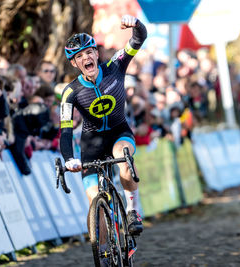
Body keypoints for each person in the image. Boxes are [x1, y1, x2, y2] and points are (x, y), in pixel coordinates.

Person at [59, 15, 147, 236]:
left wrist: (136, 24)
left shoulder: (115, 66)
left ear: (96, 54)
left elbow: (139, 38)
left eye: (89, 52)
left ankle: (132, 210)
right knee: (94, 202)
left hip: (119, 132)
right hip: (92, 145)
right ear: (74, 63)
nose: (86, 58)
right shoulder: (70, 93)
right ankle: (106, 251)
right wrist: (69, 159)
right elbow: (66, 131)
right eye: (79, 56)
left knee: (124, 156)